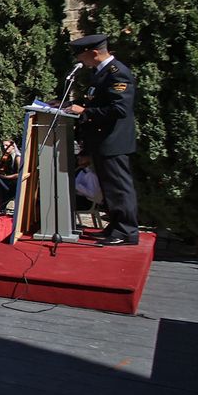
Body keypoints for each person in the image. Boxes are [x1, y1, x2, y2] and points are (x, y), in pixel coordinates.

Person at [65, 33, 138, 246]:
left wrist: (85, 111)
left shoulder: (117, 74)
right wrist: (69, 103)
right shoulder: (101, 73)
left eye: (82, 56)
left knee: (119, 187)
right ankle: (116, 226)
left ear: (94, 53)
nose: (80, 61)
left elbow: (119, 109)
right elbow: (97, 99)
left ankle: (127, 231)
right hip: (102, 140)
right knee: (109, 188)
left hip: (114, 141)